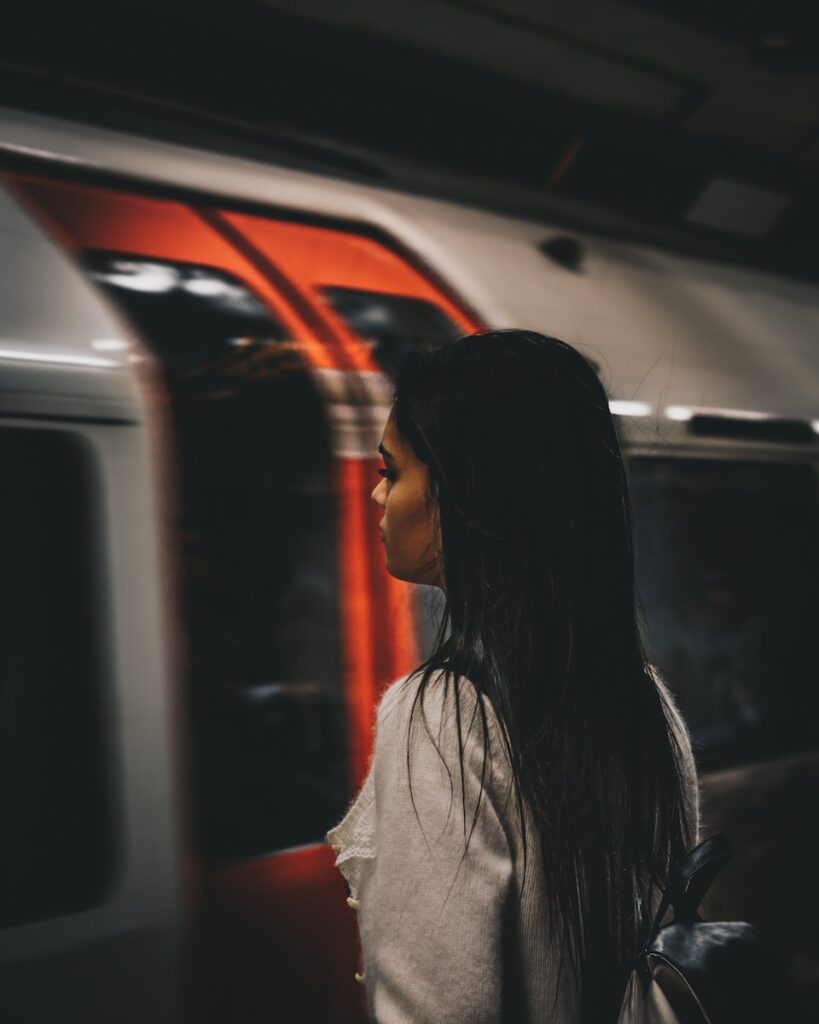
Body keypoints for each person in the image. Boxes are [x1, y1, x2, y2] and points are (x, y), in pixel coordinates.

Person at [326, 330, 700, 1023]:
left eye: (392, 470)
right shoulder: (645, 702)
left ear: (463, 495)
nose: (377, 495)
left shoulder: (437, 718)